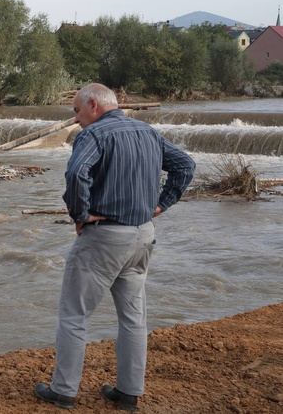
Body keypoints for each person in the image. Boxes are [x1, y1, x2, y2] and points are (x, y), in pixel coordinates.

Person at [34, 83, 195, 411]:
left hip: (106, 237)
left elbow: (77, 173)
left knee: (74, 315)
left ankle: (63, 391)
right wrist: (161, 205)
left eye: (77, 111)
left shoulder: (93, 135)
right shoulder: (146, 132)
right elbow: (186, 166)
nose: (76, 119)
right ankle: (128, 392)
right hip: (143, 235)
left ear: (93, 105)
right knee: (134, 317)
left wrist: (79, 215)